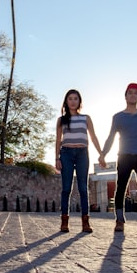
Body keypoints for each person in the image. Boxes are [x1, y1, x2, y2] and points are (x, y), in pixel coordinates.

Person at [98, 82, 137, 233]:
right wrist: (103, 154)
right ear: (125, 96)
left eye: (136, 93)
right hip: (124, 156)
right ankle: (119, 220)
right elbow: (110, 137)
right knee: (121, 188)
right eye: (130, 92)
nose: (133, 95)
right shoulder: (118, 117)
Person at [55, 89, 103, 233]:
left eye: (76, 98)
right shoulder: (61, 120)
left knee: (83, 188)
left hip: (83, 153)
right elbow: (58, 140)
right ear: (66, 101)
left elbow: (93, 137)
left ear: (79, 101)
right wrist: (57, 158)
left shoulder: (86, 118)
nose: (73, 101)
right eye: (70, 98)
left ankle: (85, 222)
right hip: (66, 153)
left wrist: (101, 154)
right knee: (66, 188)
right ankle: (64, 221)